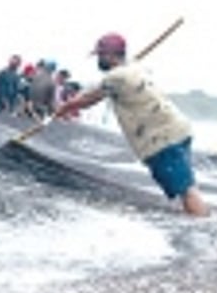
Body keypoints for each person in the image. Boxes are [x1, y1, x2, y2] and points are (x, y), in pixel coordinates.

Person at [55, 32, 208, 217]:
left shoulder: (116, 77)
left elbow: (88, 99)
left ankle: (201, 225)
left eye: (101, 55)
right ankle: (195, 216)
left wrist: (65, 108)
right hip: (177, 131)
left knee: (186, 189)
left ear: (112, 56)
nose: (99, 60)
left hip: (163, 139)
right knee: (184, 185)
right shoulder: (133, 68)